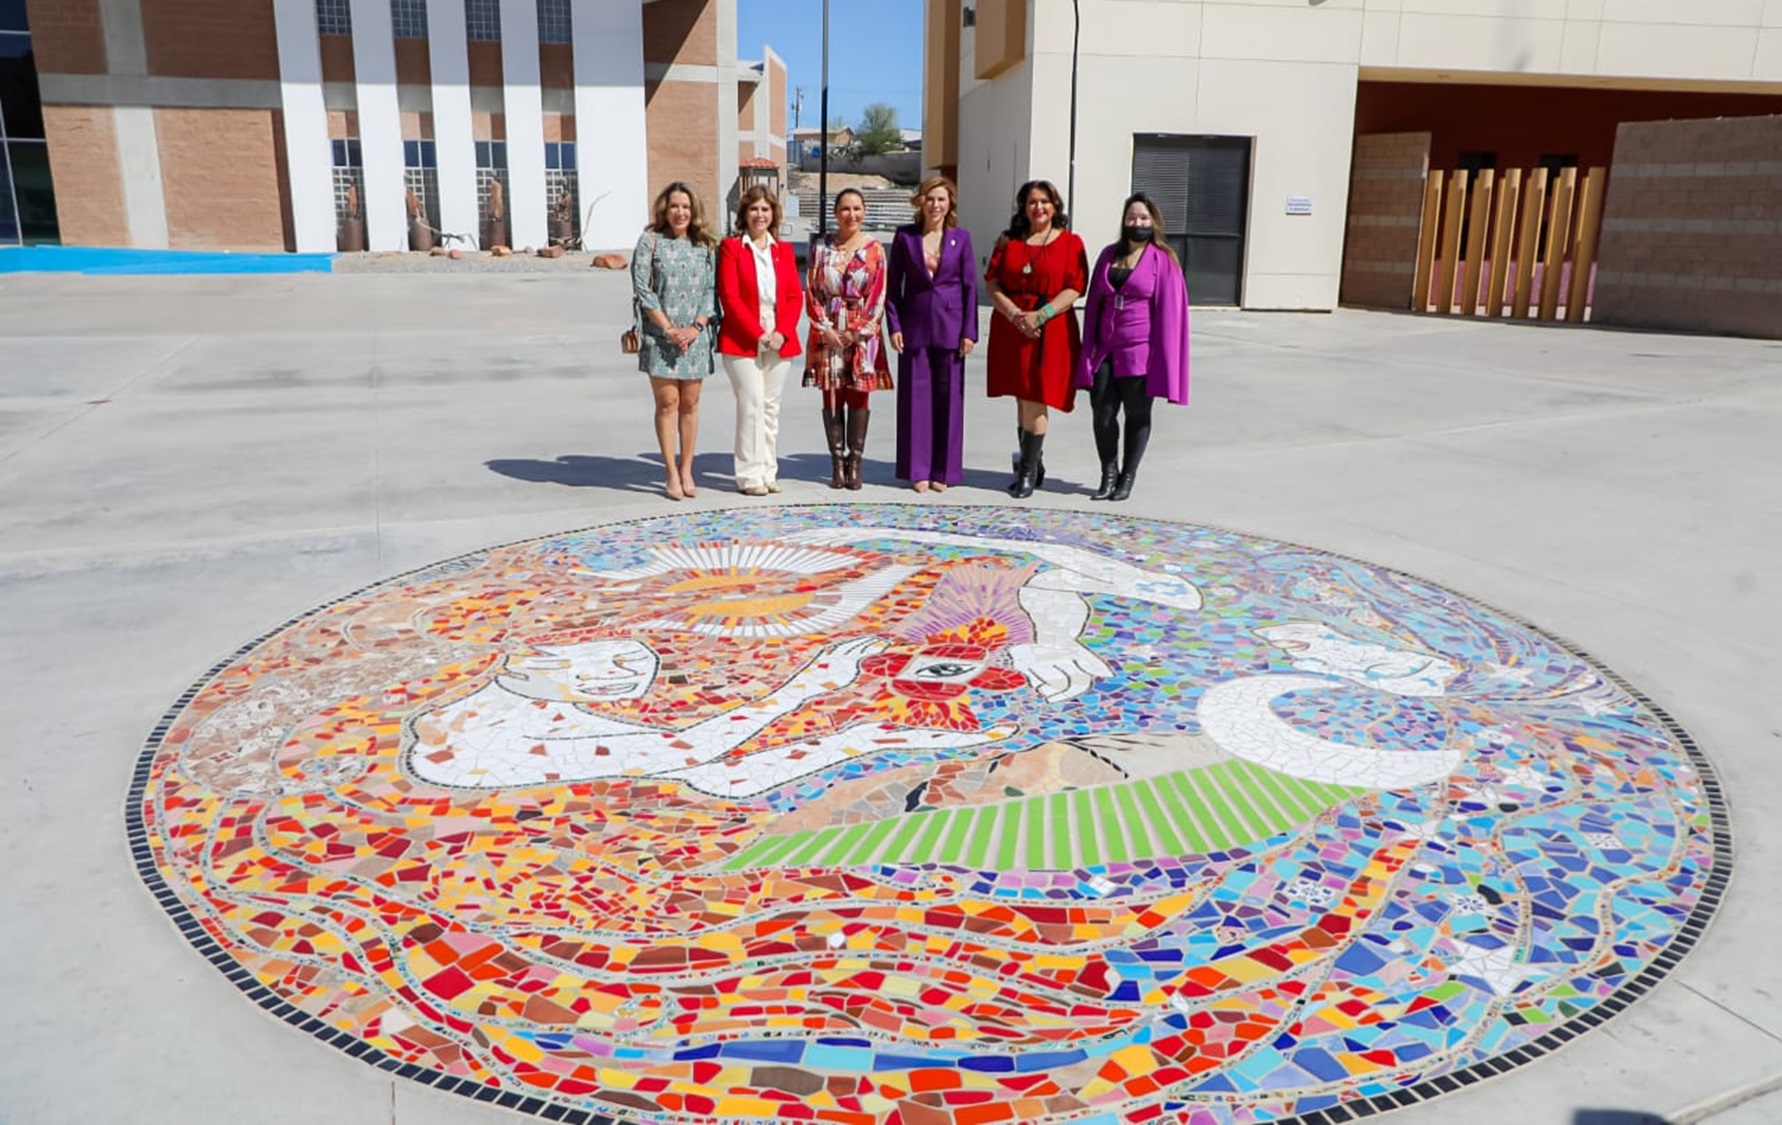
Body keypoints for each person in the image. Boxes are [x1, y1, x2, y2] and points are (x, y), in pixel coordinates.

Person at [1072, 192, 1191, 501]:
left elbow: (1171, 311)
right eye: (1131, 218)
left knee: (1137, 416)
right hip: (1107, 348)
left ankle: (1127, 476)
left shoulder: (1163, 259)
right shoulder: (1109, 254)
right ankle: (1108, 473)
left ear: (1153, 223)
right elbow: (1096, 300)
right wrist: (1090, 347)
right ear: (1124, 221)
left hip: (1141, 352)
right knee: (1103, 414)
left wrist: (1164, 359)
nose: (1137, 223)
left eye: (1143, 218)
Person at [983, 180, 1087, 498]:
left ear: (1055, 206)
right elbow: (993, 283)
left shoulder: (1071, 243)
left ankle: (1027, 473)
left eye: (1044, 201)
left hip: (1050, 327)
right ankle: (1032, 462)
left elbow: (1076, 286)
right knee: (1021, 395)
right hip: (1012, 325)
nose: (1038, 207)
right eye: (1031, 202)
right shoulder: (1009, 241)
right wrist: (1015, 315)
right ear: (1023, 207)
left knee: (1036, 395)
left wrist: (1039, 316)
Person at [886, 176, 978, 493]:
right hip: (914, 328)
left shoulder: (961, 239)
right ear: (920, 202)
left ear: (950, 203)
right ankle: (917, 469)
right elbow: (892, 286)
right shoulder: (905, 237)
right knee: (915, 401)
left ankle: (945, 470)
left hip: (951, 330)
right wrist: (894, 326)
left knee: (949, 400)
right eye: (930, 198)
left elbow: (969, 287)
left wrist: (970, 331)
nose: (935, 205)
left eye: (941, 199)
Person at [630, 182, 718, 500]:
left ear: (693, 211)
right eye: (674, 206)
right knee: (668, 404)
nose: (680, 212)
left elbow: (711, 290)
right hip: (661, 336)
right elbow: (643, 287)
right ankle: (670, 472)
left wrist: (695, 328)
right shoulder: (650, 241)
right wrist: (668, 329)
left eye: (685, 206)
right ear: (664, 210)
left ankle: (687, 470)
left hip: (695, 337)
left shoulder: (705, 245)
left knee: (690, 405)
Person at [716, 185, 803, 496]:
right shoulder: (731, 248)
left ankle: (768, 470)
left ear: (773, 214)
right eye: (754, 209)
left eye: (765, 209)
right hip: (743, 335)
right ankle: (749, 475)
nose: (760, 214)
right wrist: (758, 333)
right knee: (751, 402)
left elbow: (794, 296)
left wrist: (781, 332)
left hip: (780, 334)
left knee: (770, 407)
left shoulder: (784, 251)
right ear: (744, 214)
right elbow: (730, 296)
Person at [803, 189, 892, 490]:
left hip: (861, 332)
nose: (850, 215)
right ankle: (836, 461)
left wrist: (858, 331)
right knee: (831, 395)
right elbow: (812, 292)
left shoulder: (874, 250)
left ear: (864, 211)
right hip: (828, 329)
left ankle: (855, 461)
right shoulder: (820, 248)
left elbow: (878, 295)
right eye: (844, 209)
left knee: (857, 393)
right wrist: (825, 327)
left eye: (856, 208)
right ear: (836, 212)